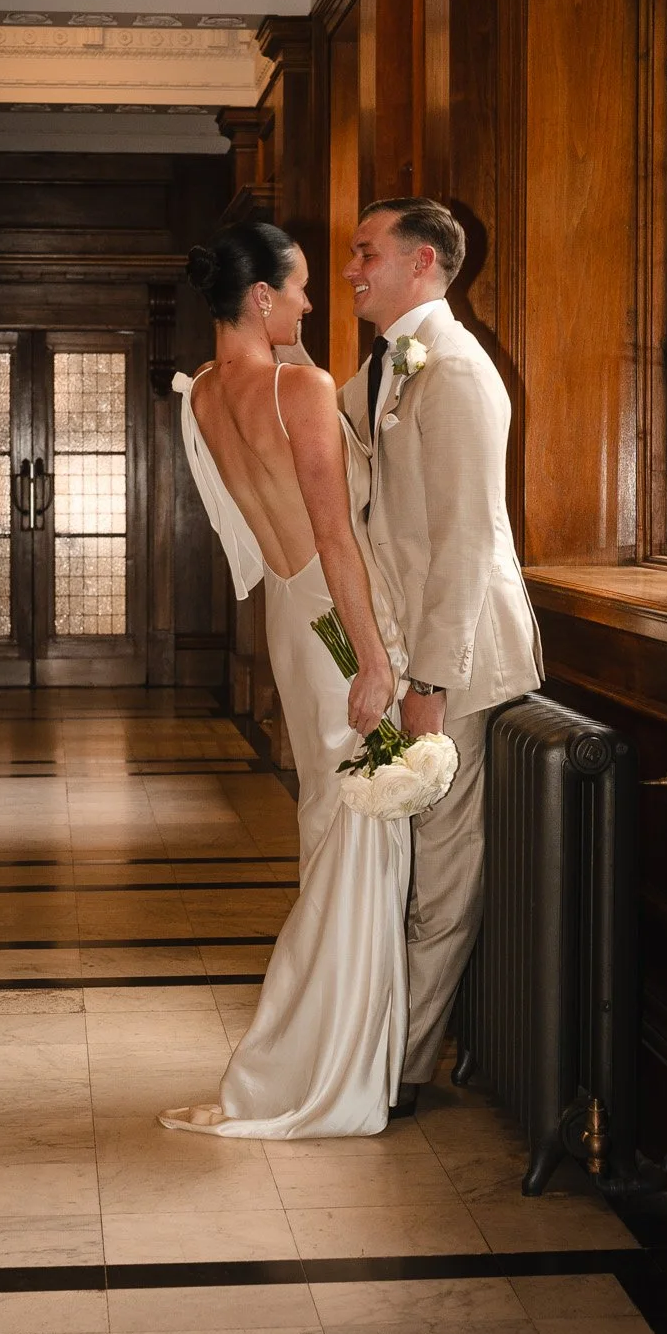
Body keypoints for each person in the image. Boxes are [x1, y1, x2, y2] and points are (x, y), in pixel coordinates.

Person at [161, 219, 412, 1137]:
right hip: (339, 621)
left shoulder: (202, 398)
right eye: (299, 288)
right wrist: (376, 657)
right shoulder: (299, 388)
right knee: (360, 840)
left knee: (333, 827)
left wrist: (282, 341)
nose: (313, 302)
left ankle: (329, 1052)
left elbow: (270, 512)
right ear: (261, 296)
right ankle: (318, 1065)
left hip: (285, 614)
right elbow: (337, 533)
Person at [340, 198, 543, 1115]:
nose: (350, 270)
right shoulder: (390, 364)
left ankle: (404, 1068)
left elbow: (467, 539)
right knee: (403, 862)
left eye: (364, 254)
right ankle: (383, 1040)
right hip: (407, 644)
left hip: (458, 660)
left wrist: (429, 679)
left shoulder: (457, 371)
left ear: (421, 262)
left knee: (444, 871)